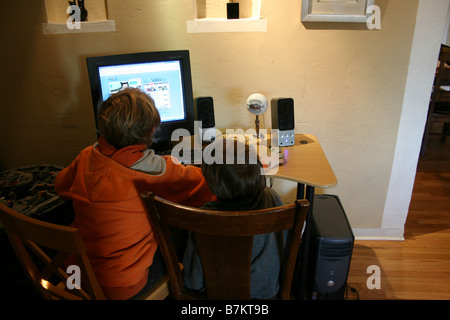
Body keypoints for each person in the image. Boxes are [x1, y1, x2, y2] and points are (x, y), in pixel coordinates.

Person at [55, 87, 215, 300]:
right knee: (184, 229)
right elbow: (210, 187)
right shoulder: (155, 169)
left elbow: (61, 187)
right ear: (151, 130)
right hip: (125, 286)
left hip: (79, 274)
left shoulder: (86, 156)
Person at [182, 138, 286, 299]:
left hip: (215, 293)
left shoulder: (203, 218)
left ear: (211, 182)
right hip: (265, 291)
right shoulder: (271, 197)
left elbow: (193, 281)